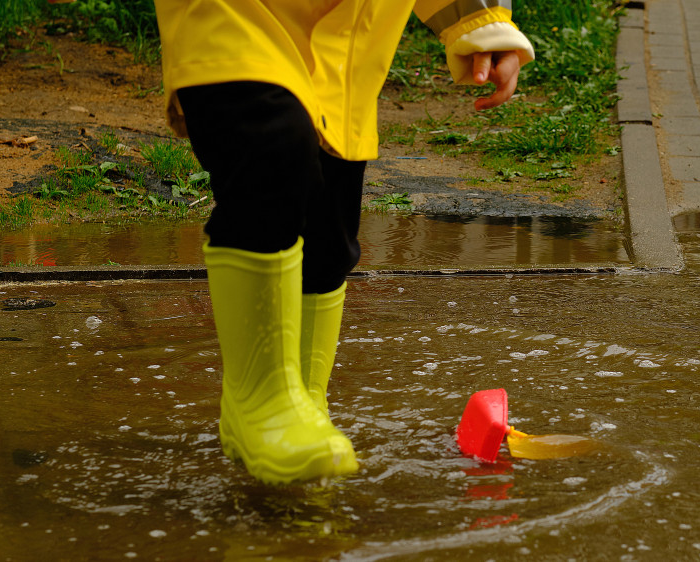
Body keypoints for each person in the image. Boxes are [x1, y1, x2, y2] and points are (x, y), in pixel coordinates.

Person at [153, 0, 535, 485]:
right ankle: (264, 403)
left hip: (348, 45)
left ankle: (304, 404)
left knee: (329, 236)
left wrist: (480, 21)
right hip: (232, 17)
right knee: (272, 148)